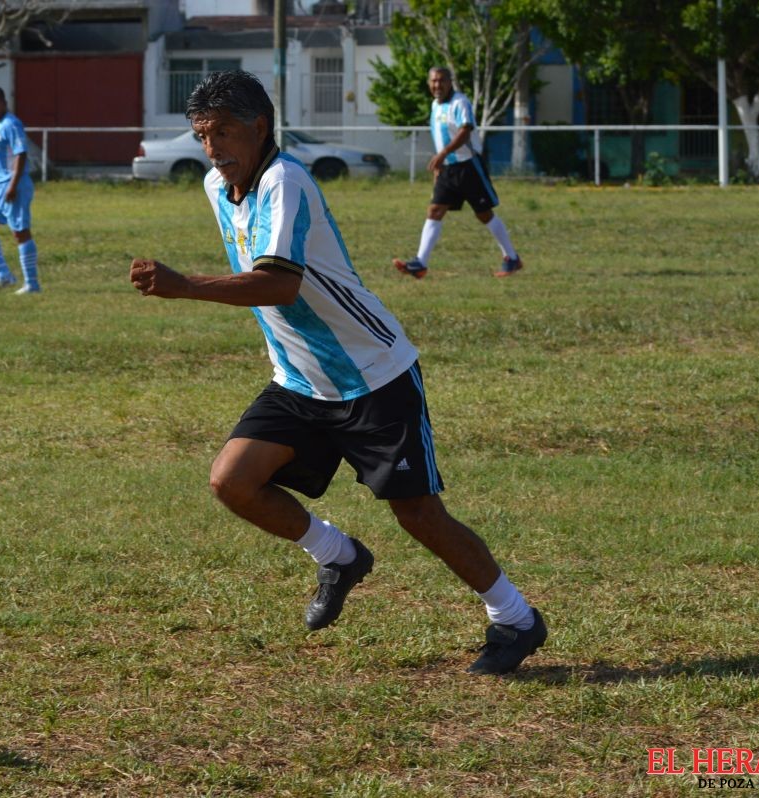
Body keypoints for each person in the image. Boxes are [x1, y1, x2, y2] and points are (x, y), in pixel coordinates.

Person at [129, 70, 546, 675]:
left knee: (418, 514)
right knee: (232, 482)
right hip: (299, 379)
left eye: (223, 131)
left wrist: (183, 286)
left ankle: (516, 618)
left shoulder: (286, 181)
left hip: (373, 375)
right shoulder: (217, 187)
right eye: (201, 134)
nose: (213, 147)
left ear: (259, 127)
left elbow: (279, 281)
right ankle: (339, 555)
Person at [393, 66, 522, 280]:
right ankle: (420, 264)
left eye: (442, 80)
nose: (437, 85)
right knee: (434, 210)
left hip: (468, 166)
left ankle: (512, 257)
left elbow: (465, 130)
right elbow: (440, 135)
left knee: (484, 214)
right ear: (429, 83)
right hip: (447, 169)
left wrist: (443, 153)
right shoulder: (435, 105)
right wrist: (440, 163)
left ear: (450, 82)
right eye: (434, 81)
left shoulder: (460, 102)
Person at [0, 86, 40, 294]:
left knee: (20, 233)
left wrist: (12, 186)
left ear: (4, 103)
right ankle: (4, 275)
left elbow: (21, 154)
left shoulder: (11, 124)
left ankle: (32, 284)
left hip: (15, 185)